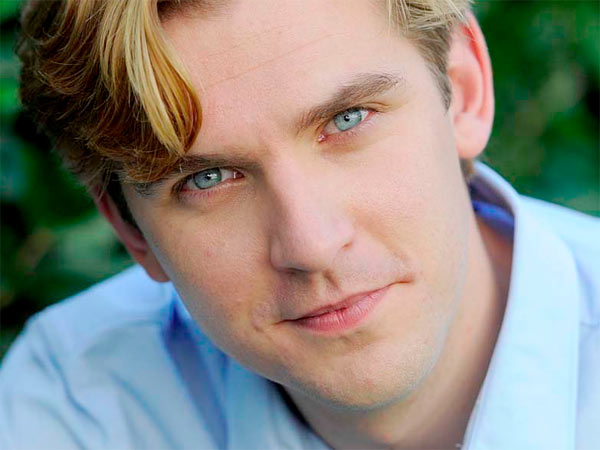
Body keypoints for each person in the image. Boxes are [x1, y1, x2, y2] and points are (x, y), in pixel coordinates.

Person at [1, 0, 598, 448]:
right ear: (132, 231)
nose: (312, 245)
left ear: (464, 91)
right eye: (207, 179)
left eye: (349, 119)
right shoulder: (77, 402)